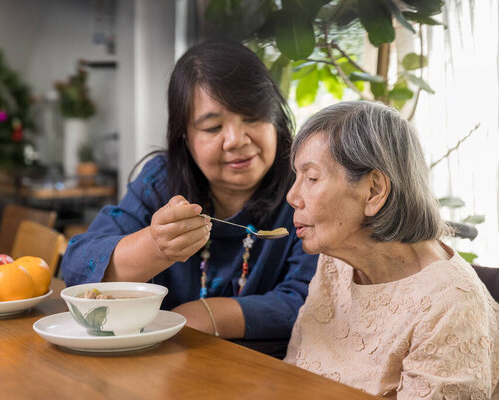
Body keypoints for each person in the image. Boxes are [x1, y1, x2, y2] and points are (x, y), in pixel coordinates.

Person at [61, 39, 318, 340]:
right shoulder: (161, 182)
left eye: (252, 117)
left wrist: (207, 315)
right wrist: (155, 246)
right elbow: (78, 268)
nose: (235, 139)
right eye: (212, 128)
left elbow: (311, 300)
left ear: (276, 119)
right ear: (184, 136)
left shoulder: (306, 189)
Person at [284, 101, 499, 399]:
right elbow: (292, 375)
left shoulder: (452, 305)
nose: (292, 196)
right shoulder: (335, 263)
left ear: (374, 190)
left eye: (311, 178)